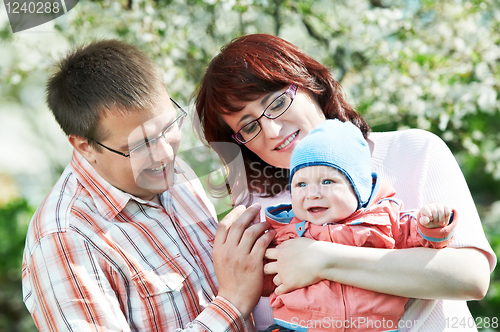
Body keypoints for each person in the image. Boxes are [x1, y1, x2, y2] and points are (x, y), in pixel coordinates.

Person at [195, 34, 496, 331]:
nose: (271, 130)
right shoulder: (258, 211)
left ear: (310, 83)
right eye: (248, 126)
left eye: (276, 104)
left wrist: (321, 259)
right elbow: (263, 316)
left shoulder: (413, 151)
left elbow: (469, 276)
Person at [21, 39, 275, 331]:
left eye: (168, 127)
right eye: (141, 144)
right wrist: (232, 304)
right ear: (85, 146)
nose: (166, 154)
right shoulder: (65, 239)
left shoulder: (170, 168)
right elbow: (233, 297)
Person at [260, 119, 457, 332]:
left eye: (327, 182)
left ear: (357, 189)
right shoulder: (286, 232)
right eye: (301, 184)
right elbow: (265, 277)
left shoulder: (382, 221)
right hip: (297, 327)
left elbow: (422, 241)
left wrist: (432, 225)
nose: (312, 193)